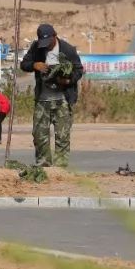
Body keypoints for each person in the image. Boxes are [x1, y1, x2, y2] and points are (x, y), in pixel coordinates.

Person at [20, 23, 84, 167]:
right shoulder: (36, 48)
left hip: (63, 100)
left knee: (62, 136)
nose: (46, 46)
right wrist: (35, 65)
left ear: (55, 36)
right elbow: (24, 64)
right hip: (43, 99)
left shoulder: (68, 49)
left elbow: (79, 70)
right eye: (44, 43)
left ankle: (60, 168)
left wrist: (67, 80)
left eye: (49, 42)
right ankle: (44, 165)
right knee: (39, 134)